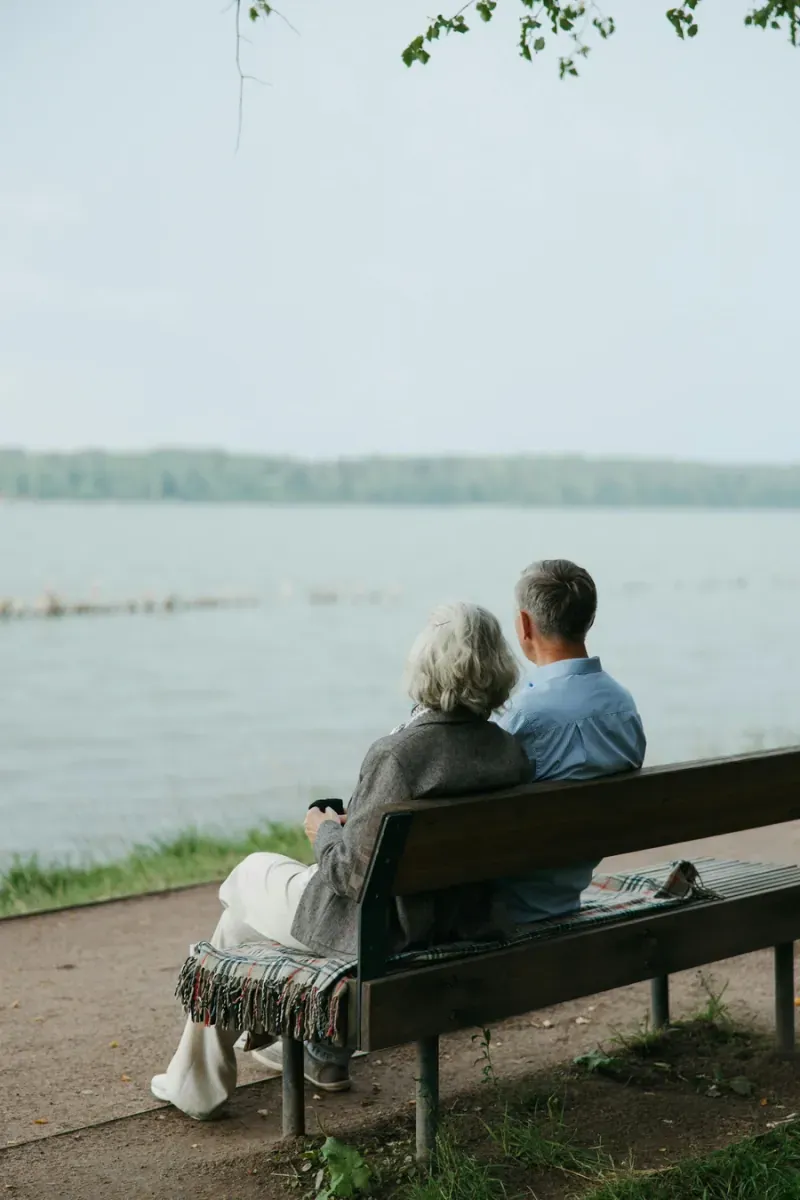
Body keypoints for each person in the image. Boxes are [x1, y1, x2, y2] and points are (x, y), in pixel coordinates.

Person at [151, 601, 529, 1119]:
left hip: (383, 931)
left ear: (426, 666)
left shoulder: (396, 754)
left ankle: (208, 1081)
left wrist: (324, 829)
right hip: (455, 922)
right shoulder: (511, 751)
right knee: (236, 926)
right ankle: (299, 1057)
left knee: (246, 879)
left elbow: (349, 875)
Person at [496, 559, 646, 925]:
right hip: (570, 890)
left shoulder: (520, 717)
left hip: (505, 907)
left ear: (525, 625)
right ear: (588, 620)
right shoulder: (623, 708)